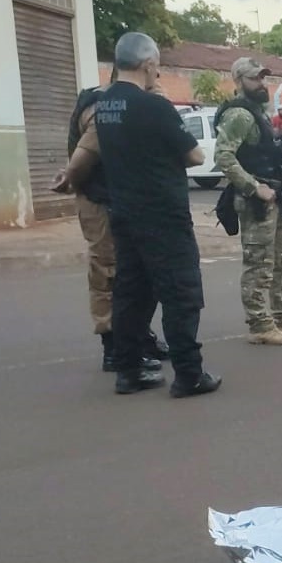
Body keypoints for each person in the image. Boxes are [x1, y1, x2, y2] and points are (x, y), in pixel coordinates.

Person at [88, 32, 221, 397]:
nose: (157, 75)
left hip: (124, 212)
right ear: (148, 64)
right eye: (157, 67)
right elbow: (195, 156)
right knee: (181, 293)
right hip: (163, 213)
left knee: (132, 293)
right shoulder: (153, 105)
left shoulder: (105, 103)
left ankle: (128, 371)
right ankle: (189, 375)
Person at [56, 68, 167, 374]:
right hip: (100, 200)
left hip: (127, 199)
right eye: (153, 74)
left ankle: (139, 337)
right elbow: (84, 156)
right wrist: (71, 178)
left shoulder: (135, 104)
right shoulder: (106, 107)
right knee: (109, 271)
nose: (156, 81)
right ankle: (114, 346)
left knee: (139, 272)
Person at [214, 57, 282, 345]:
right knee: (259, 265)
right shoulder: (239, 115)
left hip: (275, 198)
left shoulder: (258, 112)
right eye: (254, 78)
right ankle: (260, 324)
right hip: (255, 202)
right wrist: (253, 187)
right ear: (238, 81)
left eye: (262, 78)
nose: (261, 84)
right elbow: (223, 157)